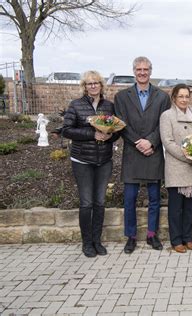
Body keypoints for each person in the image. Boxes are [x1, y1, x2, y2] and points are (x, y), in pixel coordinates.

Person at [114, 56, 171, 254]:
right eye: (138, 69)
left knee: (154, 199)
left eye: (145, 69)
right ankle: (130, 237)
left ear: (150, 71)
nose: (142, 72)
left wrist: (152, 142)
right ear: (134, 71)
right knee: (130, 199)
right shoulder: (121, 97)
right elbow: (120, 123)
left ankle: (151, 235)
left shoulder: (163, 97)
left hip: (153, 153)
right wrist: (138, 143)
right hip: (132, 152)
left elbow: (163, 124)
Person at [62, 70, 119, 257]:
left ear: (101, 85)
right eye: (89, 83)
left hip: (104, 160)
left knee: (100, 202)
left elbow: (117, 130)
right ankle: (86, 243)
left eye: (96, 83)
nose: (93, 86)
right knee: (87, 203)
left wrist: (110, 136)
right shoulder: (76, 105)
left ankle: (97, 241)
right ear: (84, 87)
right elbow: (67, 130)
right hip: (82, 160)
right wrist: (92, 134)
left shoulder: (109, 106)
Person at [160, 84, 192, 253]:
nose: (184, 99)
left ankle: (188, 238)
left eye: (187, 96)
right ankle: (176, 240)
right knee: (176, 208)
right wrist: (188, 156)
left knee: (189, 207)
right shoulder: (167, 116)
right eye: (181, 96)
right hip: (177, 166)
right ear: (174, 98)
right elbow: (168, 142)